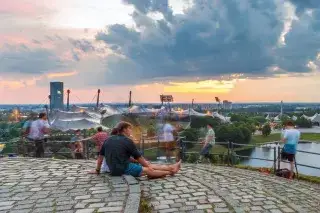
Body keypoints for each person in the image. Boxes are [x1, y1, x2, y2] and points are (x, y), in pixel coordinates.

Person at [95, 121, 181, 178]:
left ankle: (171, 167)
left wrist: (97, 170)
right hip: (123, 168)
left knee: (146, 168)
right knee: (148, 170)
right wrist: (148, 167)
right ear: (124, 130)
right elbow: (138, 157)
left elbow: (100, 158)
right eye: (129, 129)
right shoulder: (127, 141)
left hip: (113, 169)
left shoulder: (108, 140)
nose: (131, 131)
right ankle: (171, 172)